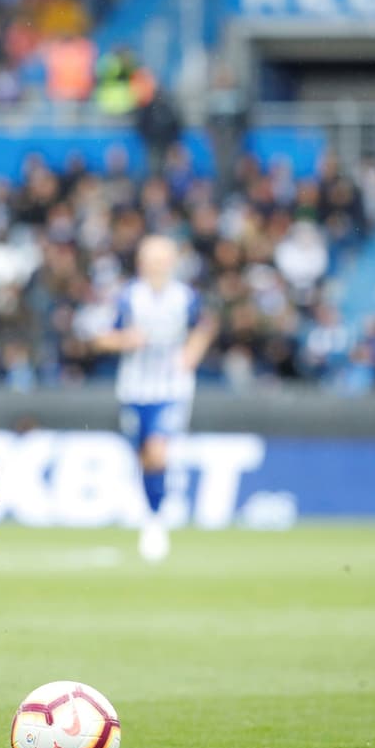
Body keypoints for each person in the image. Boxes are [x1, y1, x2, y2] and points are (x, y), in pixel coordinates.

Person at [92, 234, 215, 562]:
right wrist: (124, 340)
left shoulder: (185, 297)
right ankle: (151, 512)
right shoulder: (128, 298)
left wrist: (192, 352)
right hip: (134, 389)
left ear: (172, 263)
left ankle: (156, 523)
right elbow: (101, 339)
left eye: (162, 260)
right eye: (151, 261)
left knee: (157, 451)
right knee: (144, 457)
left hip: (172, 388)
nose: (157, 266)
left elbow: (204, 326)